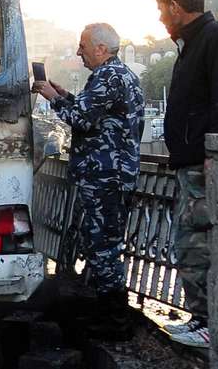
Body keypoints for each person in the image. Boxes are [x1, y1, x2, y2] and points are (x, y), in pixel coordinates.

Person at [153, 0, 218, 348]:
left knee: (201, 245)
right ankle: (201, 318)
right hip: (191, 164)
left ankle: (211, 323)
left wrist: (217, 159)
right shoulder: (194, 43)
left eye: (161, 8)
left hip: (205, 165)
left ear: (176, 7)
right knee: (188, 243)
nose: (160, 16)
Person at [33, 23, 144, 339]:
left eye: (83, 46)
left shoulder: (109, 77)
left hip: (106, 177)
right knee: (101, 244)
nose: (79, 51)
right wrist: (65, 95)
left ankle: (115, 321)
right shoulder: (115, 76)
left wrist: (53, 99)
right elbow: (90, 113)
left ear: (101, 49)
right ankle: (108, 314)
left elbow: (81, 119)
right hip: (109, 176)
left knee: (104, 247)